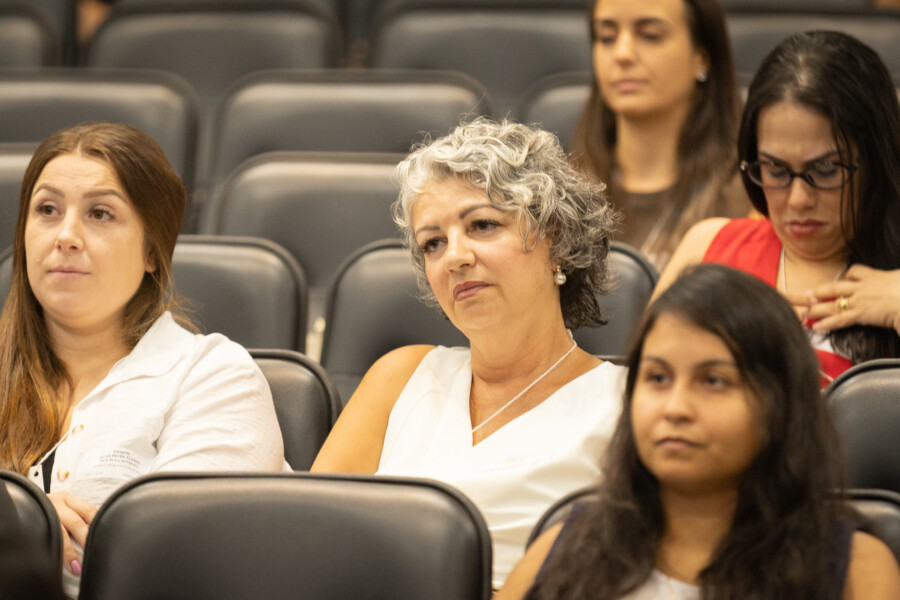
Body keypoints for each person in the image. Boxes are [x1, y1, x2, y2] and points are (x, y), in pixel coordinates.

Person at [311, 118, 624, 587]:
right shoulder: (400, 376)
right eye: (433, 243)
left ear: (556, 239)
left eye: (482, 225)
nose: (454, 257)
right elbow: (307, 541)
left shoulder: (626, 403)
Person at [0, 122, 286, 596]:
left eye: (100, 214)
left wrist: (24, 525)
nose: (66, 235)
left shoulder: (215, 377)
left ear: (152, 251)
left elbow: (173, 561)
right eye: (48, 209)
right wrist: (32, 517)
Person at [498, 264, 900, 599]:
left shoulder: (854, 570)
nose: (675, 408)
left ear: (779, 405)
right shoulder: (565, 551)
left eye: (713, 381)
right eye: (657, 378)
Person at [657, 31, 900, 385]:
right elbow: (641, 393)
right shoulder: (707, 248)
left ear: (876, 161)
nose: (798, 198)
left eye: (826, 169)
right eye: (775, 169)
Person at [572, 0, 748, 267]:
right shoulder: (561, 193)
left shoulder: (749, 200)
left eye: (650, 35)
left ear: (702, 57)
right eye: (607, 37)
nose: (622, 53)